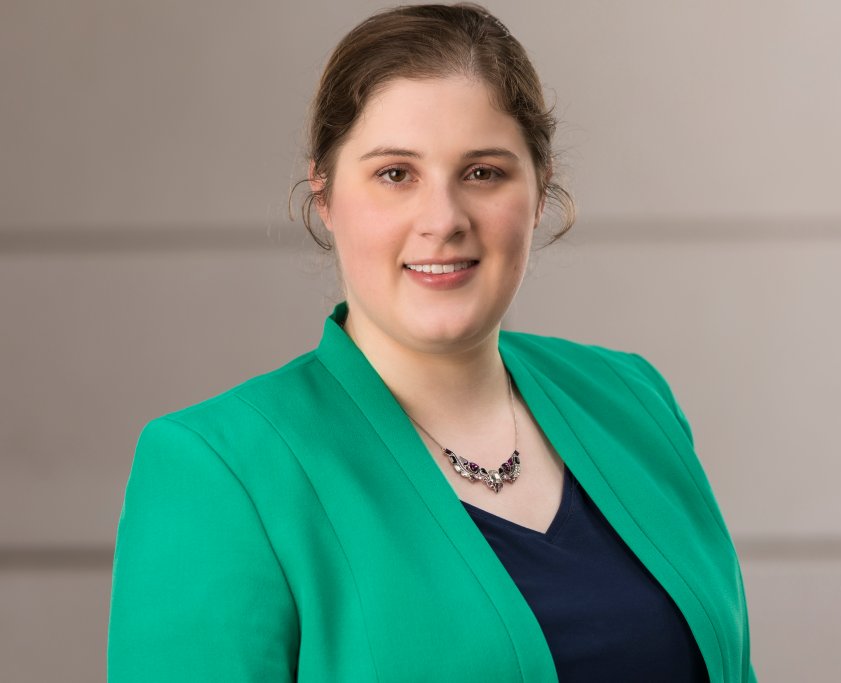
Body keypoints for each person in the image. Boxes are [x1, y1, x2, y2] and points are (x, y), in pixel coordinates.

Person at [107, 4, 756, 682]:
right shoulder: (217, 468)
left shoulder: (633, 400)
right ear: (324, 195)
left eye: (483, 172)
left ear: (539, 191)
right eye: (396, 174)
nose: (442, 220)